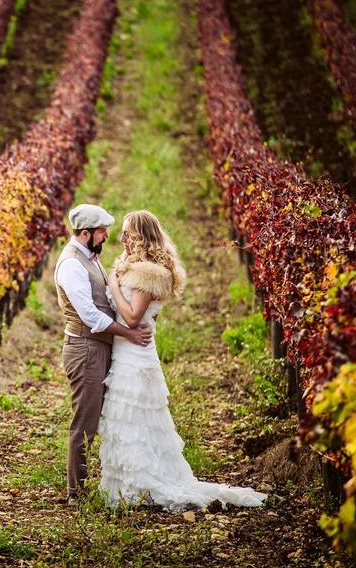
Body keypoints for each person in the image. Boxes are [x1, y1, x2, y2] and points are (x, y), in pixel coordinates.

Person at [97, 210, 266, 510]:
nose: (121, 238)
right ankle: (127, 484)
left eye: (127, 233)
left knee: (134, 419)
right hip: (129, 351)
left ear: (142, 237)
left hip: (135, 356)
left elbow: (133, 317)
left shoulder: (148, 273)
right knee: (131, 421)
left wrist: (112, 286)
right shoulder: (135, 268)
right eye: (122, 232)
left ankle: (143, 484)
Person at [54, 203, 152, 506]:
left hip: (97, 347)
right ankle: (76, 493)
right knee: (84, 421)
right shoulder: (72, 264)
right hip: (85, 349)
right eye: (102, 231)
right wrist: (129, 333)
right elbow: (90, 316)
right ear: (86, 234)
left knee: (98, 418)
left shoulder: (88, 257)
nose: (107, 235)